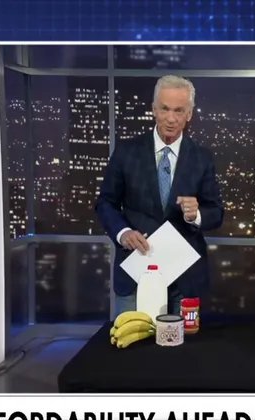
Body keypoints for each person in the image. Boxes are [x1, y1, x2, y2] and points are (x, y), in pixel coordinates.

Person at [96, 75, 224, 315]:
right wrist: (123, 233)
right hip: (136, 272)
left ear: (189, 114)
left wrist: (196, 215)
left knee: (182, 352)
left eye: (179, 110)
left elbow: (216, 213)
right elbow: (105, 203)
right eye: (165, 109)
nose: (171, 119)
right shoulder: (126, 152)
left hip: (185, 279)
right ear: (154, 109)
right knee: (132, 348)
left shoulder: (202, 158)